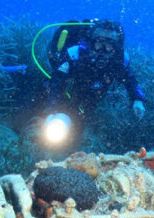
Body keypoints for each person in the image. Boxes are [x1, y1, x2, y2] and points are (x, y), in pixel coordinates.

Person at [40, 19, 146, 148]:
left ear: (116, 45)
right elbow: (56, 82)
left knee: (79, 134)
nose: (103, 48)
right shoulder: (74, 54)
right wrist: (52, 110)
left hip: (91, 102)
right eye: (99, 42)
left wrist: (137, 99)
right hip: (65, 95)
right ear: (91, 40)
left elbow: (130, 80)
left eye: (109, 44)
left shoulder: (120, 60)